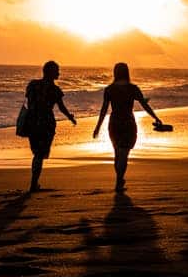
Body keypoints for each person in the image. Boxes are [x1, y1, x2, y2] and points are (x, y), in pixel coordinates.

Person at [92, 62, 162, 192]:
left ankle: (119, 179)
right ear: (127, 73)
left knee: (117, 153)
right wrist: (155, 117)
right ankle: (119, 179)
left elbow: (103, 110)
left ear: (115, 73)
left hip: (114, 122)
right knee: (124, 153)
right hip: (128, 122)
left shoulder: (109, 89)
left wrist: (98, 127)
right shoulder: (133, 88)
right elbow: (144, 105)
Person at [24, 60, 76, 192]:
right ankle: (33, 184)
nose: (59, 73)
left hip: (32, 121)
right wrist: (70, 118)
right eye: (57, 71)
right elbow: (61, 107)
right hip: (46, 122)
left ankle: (34, 183)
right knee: (39, 154)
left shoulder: (33, 85)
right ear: (51, 73)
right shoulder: (55, 90)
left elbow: (29, 103)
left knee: (37, 153)